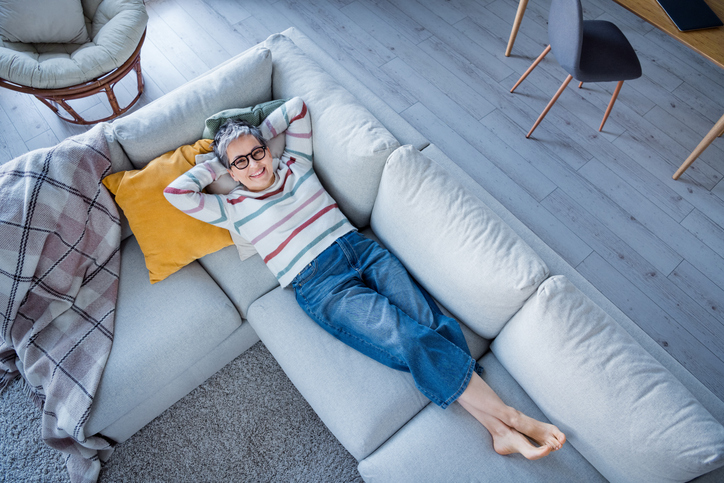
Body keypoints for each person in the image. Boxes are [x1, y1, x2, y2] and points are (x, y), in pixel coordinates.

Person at [164, 97, 566, 459]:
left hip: (362, 250)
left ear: (268, 149)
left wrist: (250, 139)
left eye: (258, 153)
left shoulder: (296, 163)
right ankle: (514, 418)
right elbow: (176, 193)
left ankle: (498, 430)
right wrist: (222, 159)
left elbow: (298, 108)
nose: (254, 165)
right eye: (242, 163)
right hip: (320, 284)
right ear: (230, 172)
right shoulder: (231, 206)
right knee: (407, 336)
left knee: (433, 325)